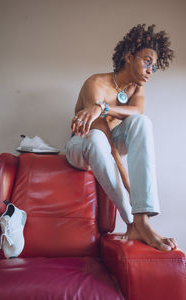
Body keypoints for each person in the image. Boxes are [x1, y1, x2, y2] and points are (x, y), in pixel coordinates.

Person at [65, 24, 177, 251]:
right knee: (96, 137)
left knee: (141, 122)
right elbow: (104, 142)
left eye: (153, 67)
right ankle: (132, 221)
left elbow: (138, 113)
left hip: (107, 142)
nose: (150, 70)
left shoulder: (136, 88)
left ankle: (142, 219)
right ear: (128, 57)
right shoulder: (95, 84)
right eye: (147, 61)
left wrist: (103, 108)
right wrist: (128, 187)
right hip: (81, 145)